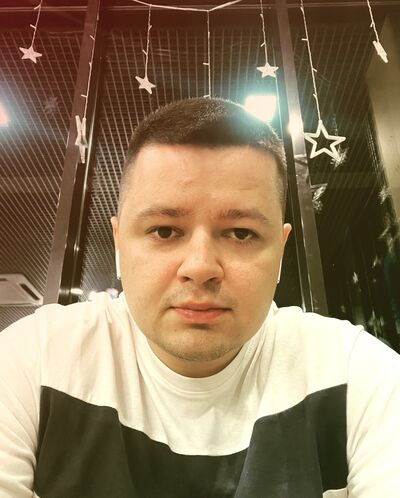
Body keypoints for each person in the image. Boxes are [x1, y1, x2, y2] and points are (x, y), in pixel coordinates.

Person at [1, 97, 399, 498]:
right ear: (120, 244)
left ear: (280, 252)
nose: (200, 266)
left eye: (241, 233)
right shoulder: (35, 360)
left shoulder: (355, 373)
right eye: (164, 231)